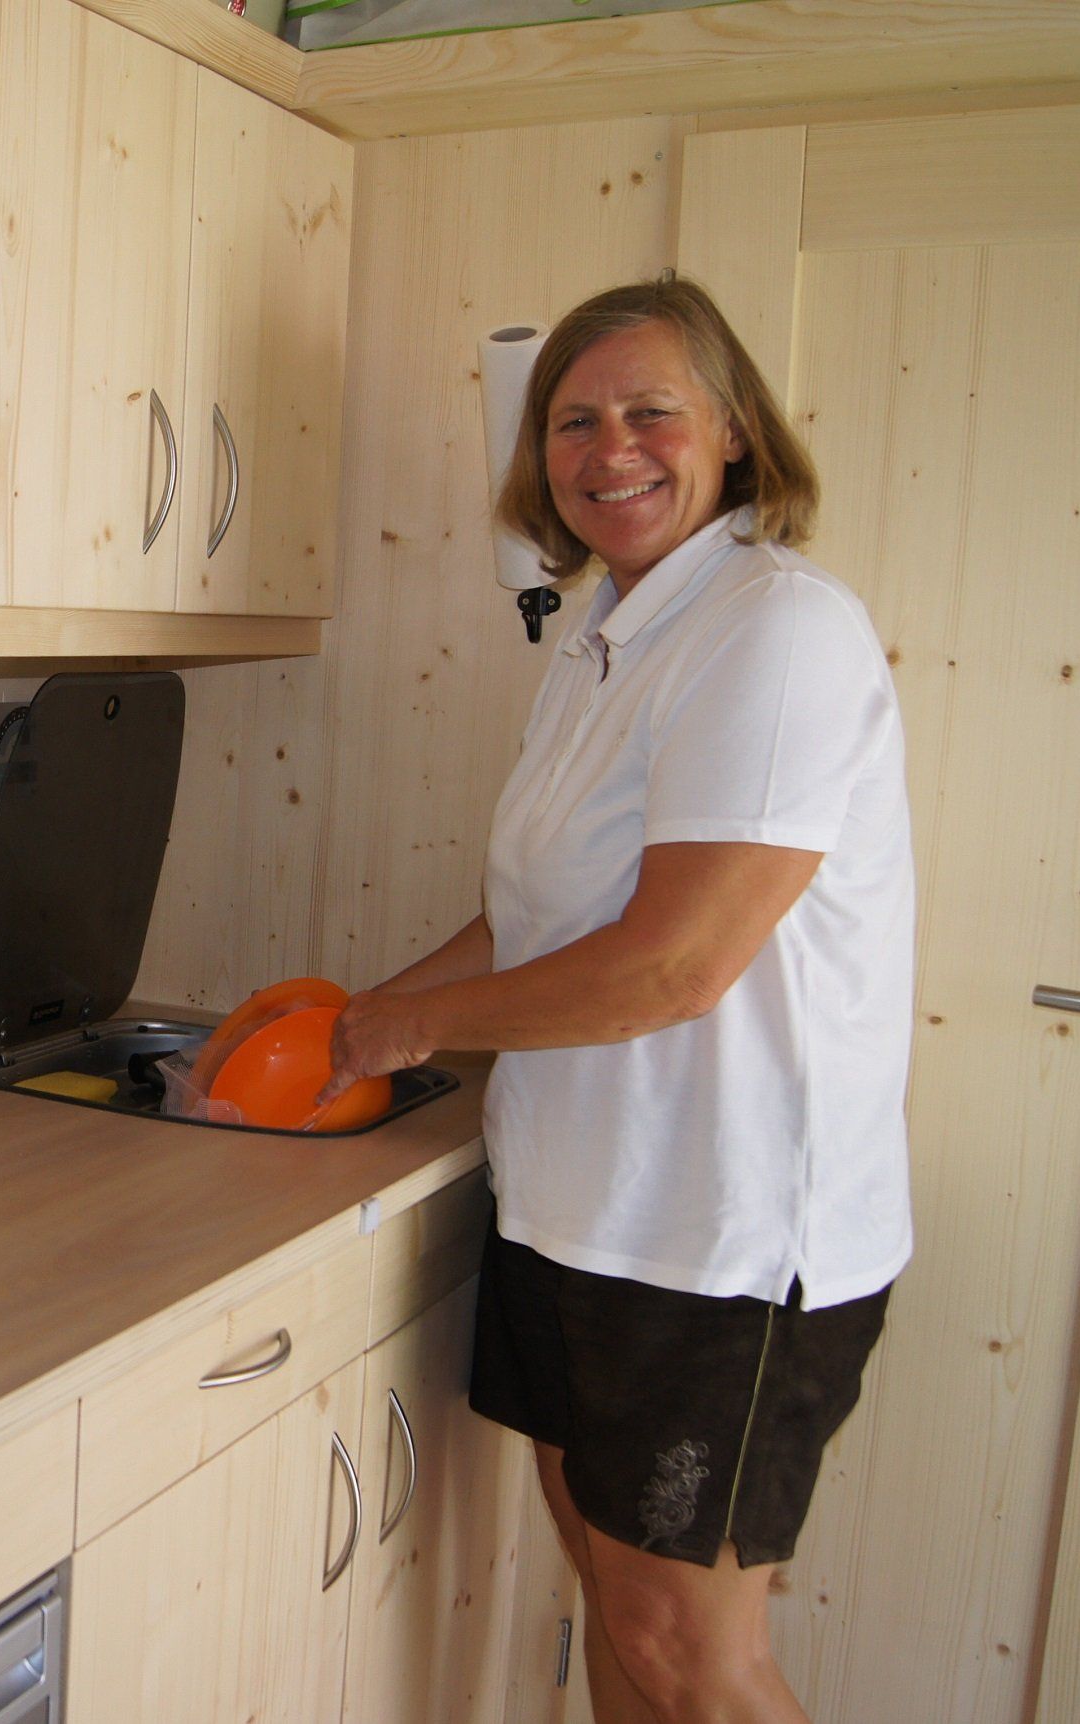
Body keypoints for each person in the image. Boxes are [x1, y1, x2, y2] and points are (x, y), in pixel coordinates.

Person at [321, 273, 913, 1724]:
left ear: (733, 429)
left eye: (652, 411)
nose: (610, 449)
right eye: (574, 421)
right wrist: (355, 1015)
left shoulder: (776, 629)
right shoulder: (604, 637)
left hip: (720, 1236)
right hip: (583, 1206)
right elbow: (538, 915)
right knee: (614, 1596)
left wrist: (411, 1030)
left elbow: (673, 964)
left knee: (689, 1652)